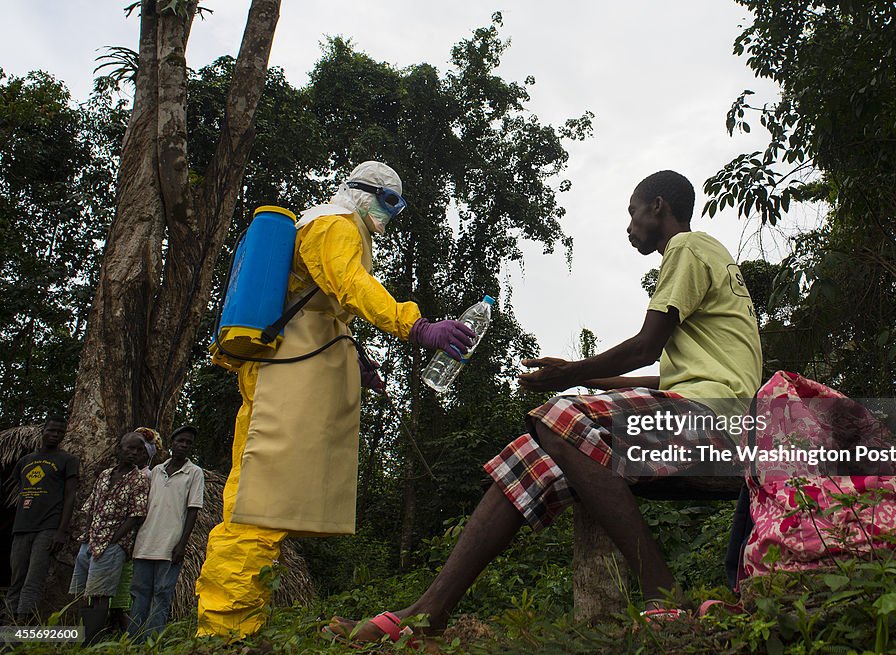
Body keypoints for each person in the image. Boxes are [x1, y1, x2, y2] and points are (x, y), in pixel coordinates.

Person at [325, 170, 763, 642]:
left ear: (658, 206)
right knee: (528, 461)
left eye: (632, 211)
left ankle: (664, 594)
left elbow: (645, 348)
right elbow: (671, 372)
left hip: (719, 423)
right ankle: (426, 615)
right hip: (701, 410)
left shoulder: (686, 248)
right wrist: (584, 372)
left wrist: (568, 379)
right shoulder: (709, 257)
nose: (630, 225)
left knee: (560, 416)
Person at [196, 161, 477, 638]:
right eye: (389, 201)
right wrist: (416, 324)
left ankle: (242, 626)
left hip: (294, 373)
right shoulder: (335, 223)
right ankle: (223, 634)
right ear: (360, 193)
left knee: (270, 504)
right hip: (282, 378)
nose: (392, 214)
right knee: (256, 505)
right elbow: (351, 285)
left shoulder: (337, 229)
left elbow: (324, 309)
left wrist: (355, 362)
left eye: (399, 205)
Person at [69, 432, 149, 644]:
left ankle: (91, 642)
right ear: (119, 449)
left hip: (112, 545)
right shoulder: (105, 475)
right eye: (129, 448)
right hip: (90, 541)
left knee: (101, 594)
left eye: (139, 450)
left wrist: (113, 540)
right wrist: (87, 535)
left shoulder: (139, 480)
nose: (133, 453)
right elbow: (91, 506)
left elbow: (136, 515)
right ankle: (83, 637)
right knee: (85, 592)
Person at [129, 425, 204, 638]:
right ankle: (133, 640)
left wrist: (181, 545)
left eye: (189, 443)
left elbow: (193, 511)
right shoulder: (156, 471)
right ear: (172, 443)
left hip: (170, 546)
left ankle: (152, 640)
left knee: (162, 594)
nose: (184, 445)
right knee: (139, 594)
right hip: (145, 543)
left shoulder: (194, 473)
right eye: (181, 441)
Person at [6, 415, 79, 623]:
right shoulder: (25, 462)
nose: (55, 435)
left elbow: (70, 496)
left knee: (34, 578)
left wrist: (61, 531)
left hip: (48, 528)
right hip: (21, 528)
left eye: (59, 432)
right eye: (51, 430)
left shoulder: (68, 460)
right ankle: (9, 623)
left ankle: (22, 624)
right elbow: (20, 491)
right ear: (43, 431)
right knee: (17, 578)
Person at [108, 426, 162, 633]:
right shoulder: (114, 474)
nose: (135, 454)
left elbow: (141, 512)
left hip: (132, 537)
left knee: (127, 584)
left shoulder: (149, 476)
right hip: (111, 534)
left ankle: (125, 628)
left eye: (141, 450)